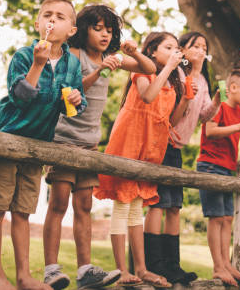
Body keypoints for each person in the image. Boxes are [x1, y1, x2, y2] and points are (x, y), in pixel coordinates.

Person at [43, 4, 156, 290]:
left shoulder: (111, 58)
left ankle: (85, 271)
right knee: (58, 203)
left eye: (109, 29)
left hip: (90, 145)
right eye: (98, 28)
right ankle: (52, 270)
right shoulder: (75, 55)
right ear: (83, 30)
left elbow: (150, 68)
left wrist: (133, 53)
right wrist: (99, 71)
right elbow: (70, 87)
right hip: (64, 141)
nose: (105, 34)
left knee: (84, 205)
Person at [0, 0, 86, 290]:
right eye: (47, 14)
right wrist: (38, 65)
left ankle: (24, 276)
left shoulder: (72, 65)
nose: (52, 20)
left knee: (23, 211)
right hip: (7, 138)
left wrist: (76, 99)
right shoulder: (25, 57)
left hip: (36, 146)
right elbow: (21, 98)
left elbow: (71, 108)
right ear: (38, 23)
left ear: (72, 30)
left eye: (60, 17)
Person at [94, 32, 192, 288]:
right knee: (123, 205)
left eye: (177, 48)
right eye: (168, 47)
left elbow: (170, 119)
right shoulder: (141, 70)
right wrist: (169, 67)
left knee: (137, 207)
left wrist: (187, 98)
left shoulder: (171, 82)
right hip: (131, 139)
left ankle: (141, 268)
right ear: (152, 51)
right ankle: (122, 270)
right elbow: (148, 97)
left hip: (151, 146)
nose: (175, 51)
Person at [144, 31, 221, 284]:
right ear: (183, 50)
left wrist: (219, 100)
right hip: (161, 143)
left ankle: (172, 265)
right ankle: (154, 264)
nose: (200, 50)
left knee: (175, 206)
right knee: (158, 204)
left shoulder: (204, 82)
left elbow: (204, 116)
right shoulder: (176, 74)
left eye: (204, 46)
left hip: (176, 148)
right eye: (195, 46)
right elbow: (175, 112)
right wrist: (191, 83)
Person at [196, 68, 240, 288]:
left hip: (226, 168)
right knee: (216, 218)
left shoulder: (238, 112)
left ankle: (227, 263)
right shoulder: (219, 107)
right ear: (233, 88)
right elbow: (210, 131)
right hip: (210, 165)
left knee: (227, 219)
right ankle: (218, 267)